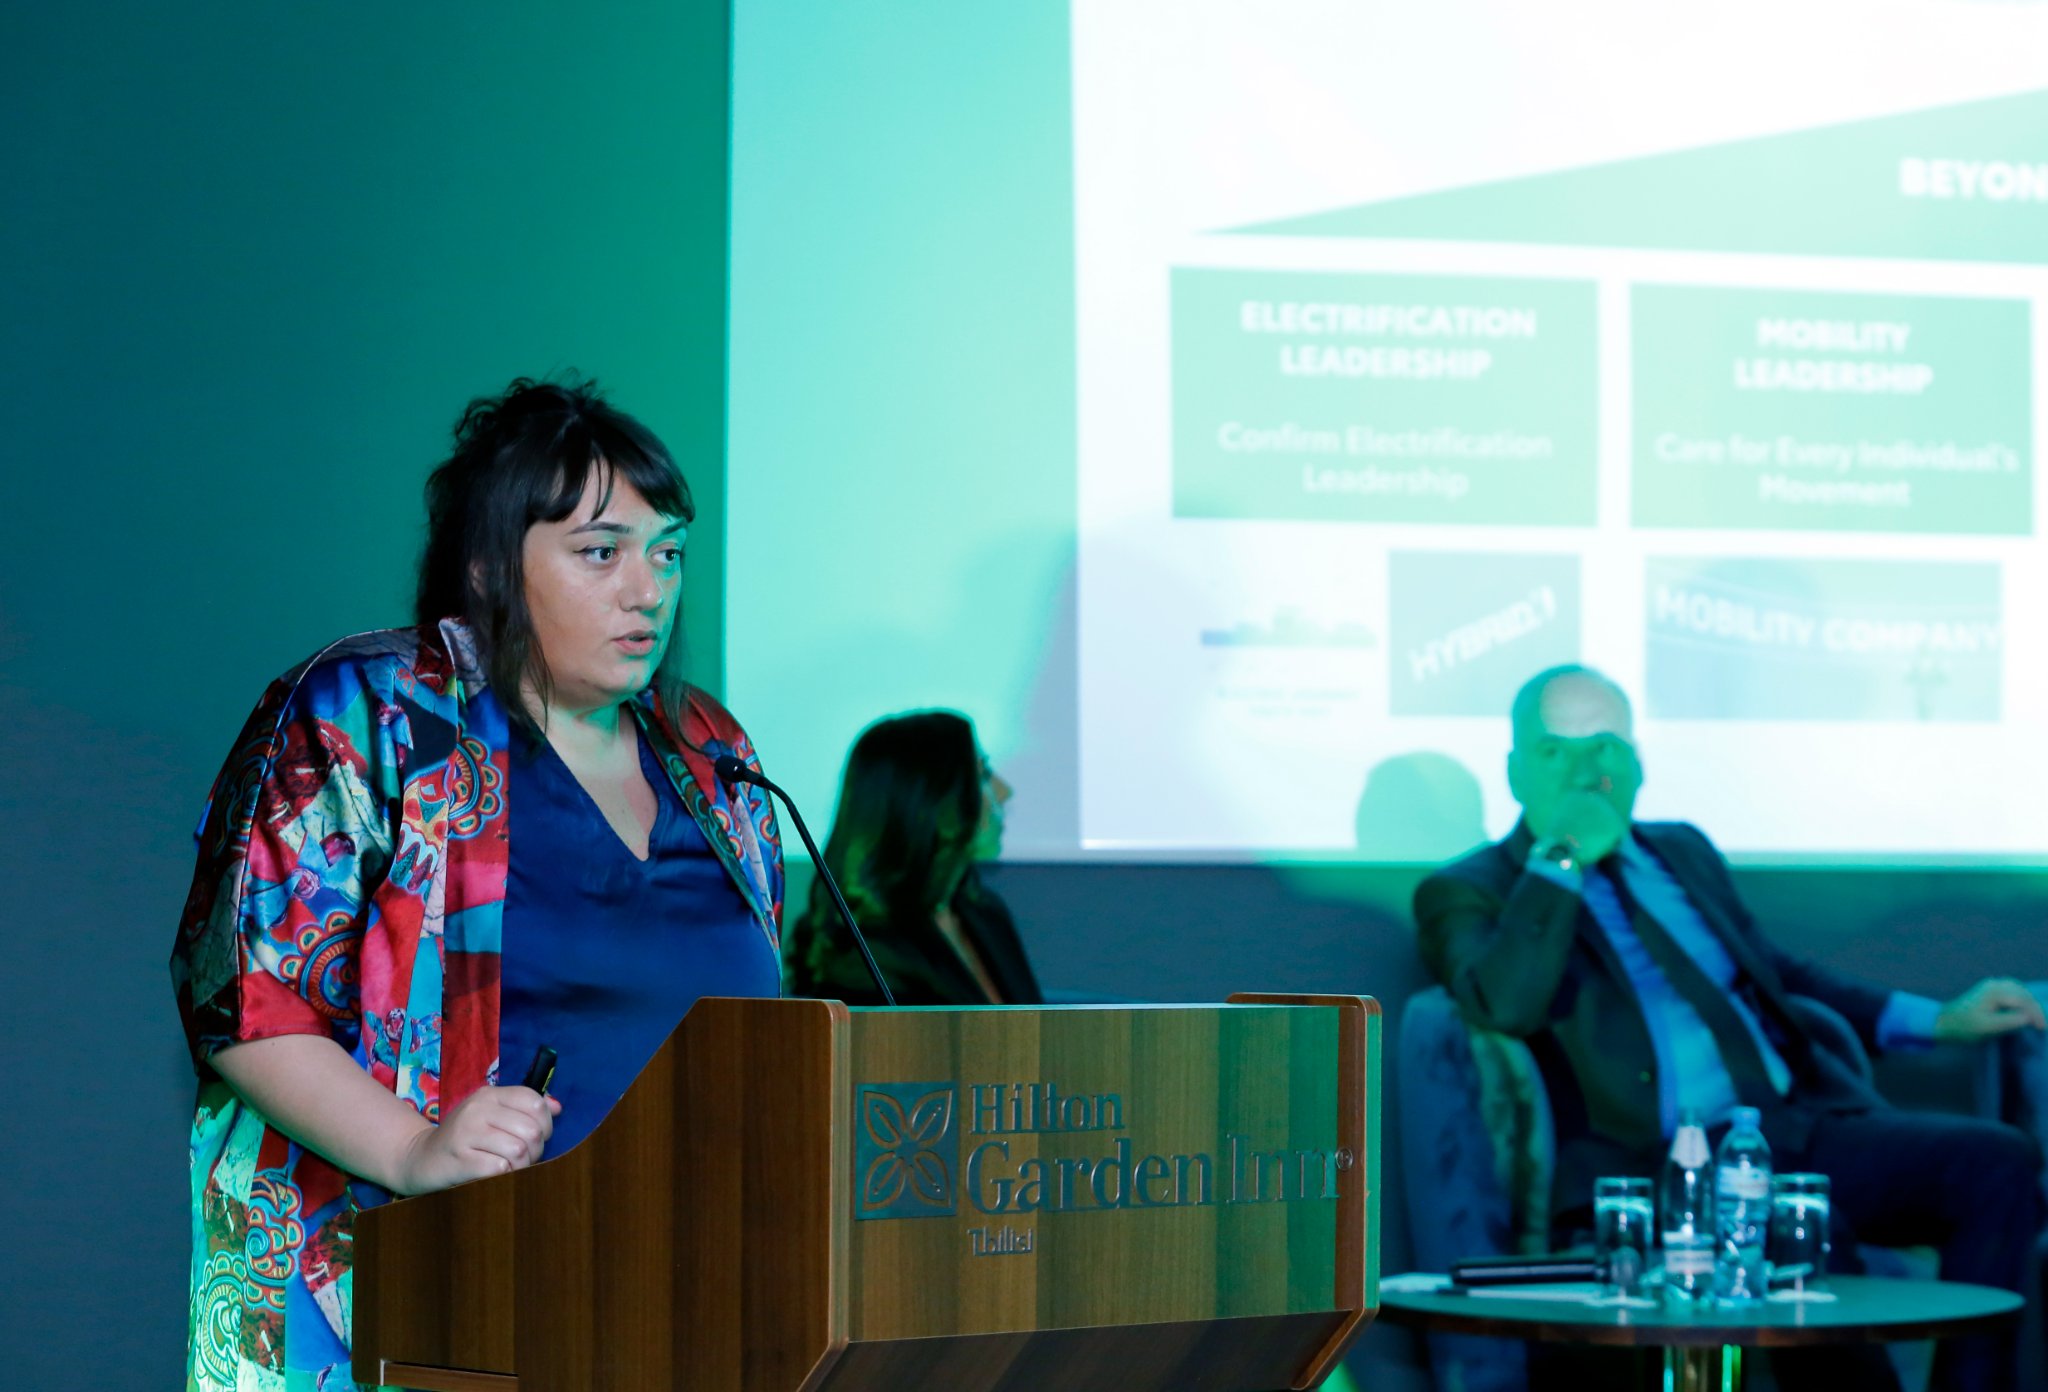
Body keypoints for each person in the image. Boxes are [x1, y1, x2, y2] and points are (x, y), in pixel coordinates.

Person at [168, 378, 784, 1392]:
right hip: (436, 1301)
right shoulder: (372, 715)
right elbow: (244, 999)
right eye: (602, 552)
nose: (648, 590)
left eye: (667, 551)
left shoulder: (709, 750)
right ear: (494, 566)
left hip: (692, 1308)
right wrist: (416, 1152)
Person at [1414, 664, 2045, 1392]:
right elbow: (1503, 1004)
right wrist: (1558, 859)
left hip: (1791, 1122)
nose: (1587, 772)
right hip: (1664, 1158)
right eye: (1558, 750)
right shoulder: (1468, 889)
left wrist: (1937, 1020)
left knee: (1995, 1162)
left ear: (1637, 764)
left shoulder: (1680, 851)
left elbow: (1777, 975)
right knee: (1795, 1223)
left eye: (1607, 746)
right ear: (1516, 771)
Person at [781, 710, 1040, 1005]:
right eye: (982, 775)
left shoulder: (984, 912)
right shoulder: (862, 955)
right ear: (929, 802)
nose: (1004, 792)